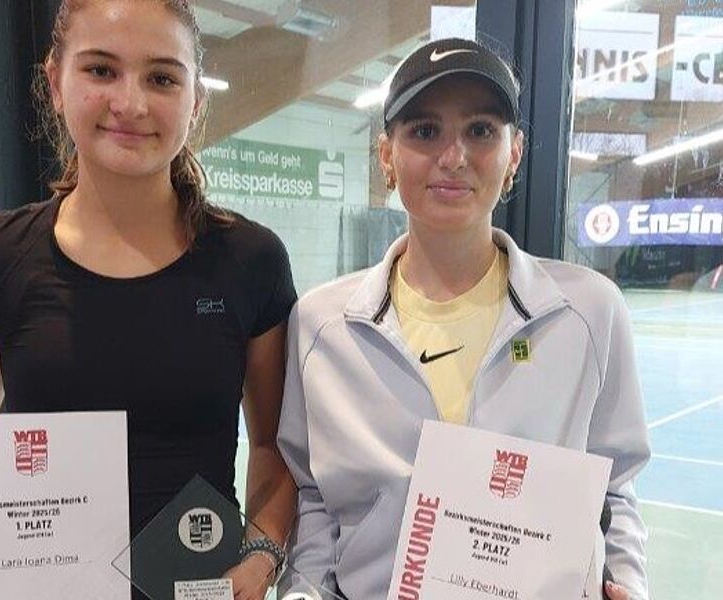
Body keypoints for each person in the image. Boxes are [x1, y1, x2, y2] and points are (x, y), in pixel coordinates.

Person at [0, 1, 296, 598]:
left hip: (195, 582)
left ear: (195, 101)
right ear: (55, 83)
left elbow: (272, 447)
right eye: (101, 70)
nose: (131, 103)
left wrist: (263, 556)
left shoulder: (250, 261)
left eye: (162, 78)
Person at [278, 38, 649, 600]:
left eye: (480, 130)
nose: (453, 157)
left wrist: (627, 585)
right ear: (386, 156)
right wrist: (302, 594)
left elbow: (615, 488)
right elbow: (313, 500)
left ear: (514, 154)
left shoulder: (589, 311)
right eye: (425, 131)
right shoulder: (321, 325)